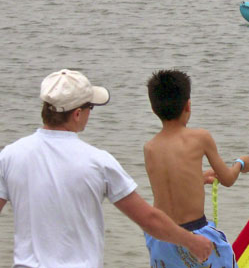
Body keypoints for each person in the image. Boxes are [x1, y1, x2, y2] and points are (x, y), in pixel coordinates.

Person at [0, 69, 213, 268]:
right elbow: (149, 219)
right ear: (77, 114)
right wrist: (191, 242)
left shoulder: (10, 155)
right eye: (90, 108)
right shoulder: (97, 162)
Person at [144, 69, 249, 268]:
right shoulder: (200, 137)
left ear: (153, 109)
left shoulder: (150, 147)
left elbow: (168, 187)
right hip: (195, 234)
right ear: (188, 105)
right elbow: (227, 180)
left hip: (161, 236)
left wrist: (199, 178)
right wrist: (240, 164)